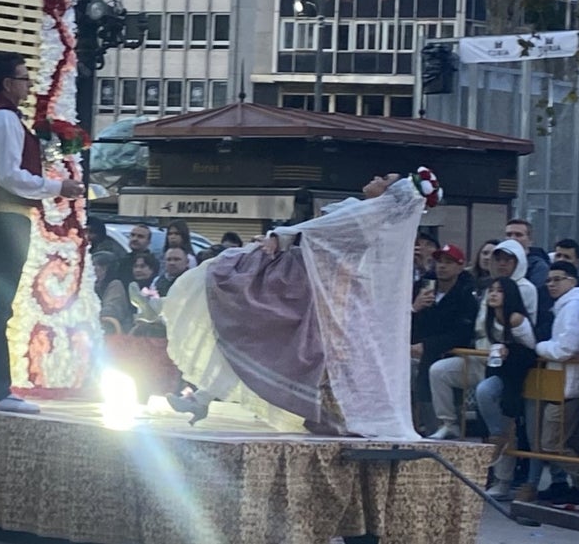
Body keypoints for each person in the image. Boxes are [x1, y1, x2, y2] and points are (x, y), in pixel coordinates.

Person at [163, 171, 434, 438]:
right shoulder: (370, 219)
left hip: (304, 285)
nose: (377, 177)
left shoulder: (365, 216)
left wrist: (280, 235)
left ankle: (193, 376)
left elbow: (316, 233)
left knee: (232, 285)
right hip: (311, 287)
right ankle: (200, 395)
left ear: (389, 195)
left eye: (385, 179)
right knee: (258, 337)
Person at [0, 51, 84, 414]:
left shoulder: (1, 115)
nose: (29, 85)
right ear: (7, 83)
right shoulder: (2, 118)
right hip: (4, 218)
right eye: (24, 78)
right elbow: (9, 176)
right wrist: (58, 187)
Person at [427, 238, 538, 440]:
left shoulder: (525, 289)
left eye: (508, 260)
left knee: (493, 407)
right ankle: (448, 424)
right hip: (479, 356)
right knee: (439, 371)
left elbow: (526, 337)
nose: (501, 264)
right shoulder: (488, 286)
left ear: (518, 262)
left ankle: (499, 441)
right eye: (498, 259)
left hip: (506, 367)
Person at [524, 261, 579, 511]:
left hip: (566, 386)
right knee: (572, 442)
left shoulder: (573, 308)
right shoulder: (568, 306)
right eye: (549, 280)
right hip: (564, 384)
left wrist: (539, 347)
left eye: (558, 279)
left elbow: (567, 348)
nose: (552, 284)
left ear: (572, 281)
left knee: (551, 443)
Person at [474, 277, 537, 501]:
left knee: (530, 432)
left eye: (499, 291)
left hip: (525, 376)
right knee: (483, 391)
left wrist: (510, 352)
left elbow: (531, 351)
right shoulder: (492, 319)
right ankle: (497, 434)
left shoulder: (517, 318)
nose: (493, 294)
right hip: (501, 373)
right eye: (491, 290)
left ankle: (515, 479)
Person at [409, 243, 478, 435]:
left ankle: (444, 428)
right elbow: (406, 321)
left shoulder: (466, 295)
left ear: (459, 266)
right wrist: (415, 308)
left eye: (448, 262)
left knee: (436, 383)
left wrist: (428, 346)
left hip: (444, 355)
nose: (442, 266)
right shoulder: (423, 288)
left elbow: (462, 332)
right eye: (439, 261)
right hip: (417, 354)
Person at [92, 250, 131, 333]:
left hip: (111, 334)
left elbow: (111, 311)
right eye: (93, 265)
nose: (96, 268)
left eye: (101, 265)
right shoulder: (86, 286)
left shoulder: (115, 285)